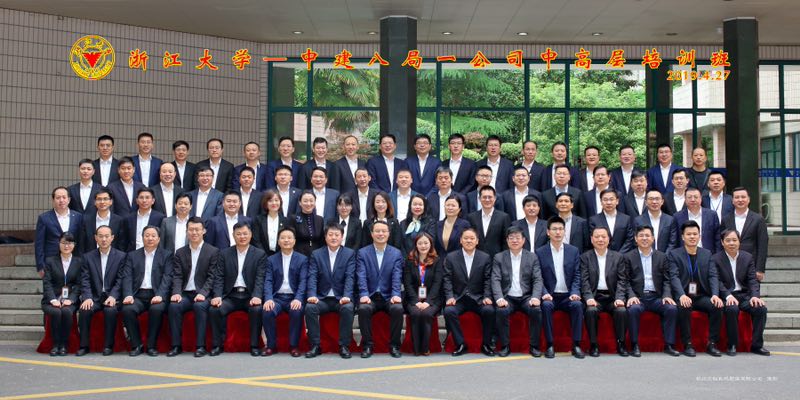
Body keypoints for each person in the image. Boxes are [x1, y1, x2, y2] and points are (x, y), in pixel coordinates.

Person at [209, 222, 266, 357]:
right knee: (214, 309)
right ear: (233, 236)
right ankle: (218, 345)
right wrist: (217, 295)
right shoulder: (224, 253)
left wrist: (257, 296)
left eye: (245, 234)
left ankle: (254, 345)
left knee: (256, 310)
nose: (242, 237)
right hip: (230, 295)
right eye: (238, 234)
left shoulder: (259, 254)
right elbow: (219, 277)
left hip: (249, 295)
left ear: (250, 235)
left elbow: (260, 278)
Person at [668, 220, 724, 357]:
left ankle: (712, 344)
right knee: (684, 306)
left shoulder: (707, 254)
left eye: (695, 234)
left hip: (701, 295)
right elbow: (674, 277)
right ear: (683, 237)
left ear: (699, 236)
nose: (692, 237)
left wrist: (715, 295)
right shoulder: (674, 254)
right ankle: (687, 344)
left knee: (716, 306)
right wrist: (681, 295)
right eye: (689, 234)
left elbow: (713, 275)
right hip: (684, 295)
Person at [624, 225, 680, 357]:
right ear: (635, 239)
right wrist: (631, 295)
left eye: (647, 235)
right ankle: (634, 344)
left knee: (671, 308)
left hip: (656, 297)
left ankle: (669, 345)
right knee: (633, 309)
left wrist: (667, 295)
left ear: (653, 238)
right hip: (638, 297)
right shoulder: (628, 257)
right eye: (641, 236)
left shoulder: (662, 257)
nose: (644, 238)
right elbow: (625, 280)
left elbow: (667, 280)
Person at [167, 217, 219, 357]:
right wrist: (176, 292)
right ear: (187, 232)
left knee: (199, 306)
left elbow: (212, 277)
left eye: (197, 229)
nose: (194, 232)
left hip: (203, 294)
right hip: (185, 294)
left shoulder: (213, 251)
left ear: (204, 231)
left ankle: (200, 346)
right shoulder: (180, 252)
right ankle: (176, 345)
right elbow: (177, 275)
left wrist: (203, 293)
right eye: (191, 230)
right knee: (174, 306)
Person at [304, 224, 356, 359]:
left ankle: (344, 346)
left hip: (341, 298)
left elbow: (350, 277)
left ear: (342, 237)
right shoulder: (316, 254)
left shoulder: (349, 254)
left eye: (337, 235)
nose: (333, 238)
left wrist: (347, 296)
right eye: (330, 235)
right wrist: (312, 295)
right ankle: (315, 345)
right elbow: (312, 277)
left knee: (348, 308)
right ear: (325, 237)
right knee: (310, 307)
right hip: (322, 298)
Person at [715, 229, 770, 356]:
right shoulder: (716, 259)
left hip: (744, 296)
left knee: (760, 309)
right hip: (727, 296)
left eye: (734, 240)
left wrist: (755, 296)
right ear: (722, 242)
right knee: (732, 309)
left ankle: (756, 345)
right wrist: (728, 296)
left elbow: (752, 280)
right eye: (728, 240)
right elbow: (717, 281)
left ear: (739, 241)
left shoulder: (747, 257)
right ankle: (732, 344)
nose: (731, 243)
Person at [492, 226, 544, 357]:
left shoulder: (532, 257)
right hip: (508, 297)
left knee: (536, 310)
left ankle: (534, 346)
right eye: (511, 238)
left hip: (526, 297)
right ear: (507, 240)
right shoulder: (499, 257)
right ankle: (505, 346)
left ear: (523, 240)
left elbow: (537, 279)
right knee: (501, 310)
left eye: (517, 238)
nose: (514, 240)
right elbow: (495, 279)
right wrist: (499, 298)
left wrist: (535, 297)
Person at [120, 226, 172, 356]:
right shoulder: (132, 255)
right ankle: (136, 345)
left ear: (159, 239)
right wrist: (128, 295)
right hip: (138, 295)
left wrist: (160, 295)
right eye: (147, 235)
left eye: (153, 236)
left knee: (156, 309)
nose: (150, 238)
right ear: (142, 238)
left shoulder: (166, 255)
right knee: (127, 309)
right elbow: (127, 277)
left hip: (156, 294)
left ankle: (151, 346)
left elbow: (167, 277)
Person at [443, 228, 496, 357]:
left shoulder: (485, 257)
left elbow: (488, 279)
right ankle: (461, 344)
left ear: (477, 241)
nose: (469, 241)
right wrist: (450, 296)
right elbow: (447, 279)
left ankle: (486, 344)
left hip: (478, 298)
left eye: (472, 238)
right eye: (466, 238)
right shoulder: (451, 257)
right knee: (449, 311)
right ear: (461, 240)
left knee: (489, 310)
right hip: (459, 298)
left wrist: (487, 296)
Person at [356, 221, 405, 358]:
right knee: (363, 309)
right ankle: (367, 345)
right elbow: (361, 275)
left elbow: (397, 276)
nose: (381, 234)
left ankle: (394, 345)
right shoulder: (363, 253)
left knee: (397, 308)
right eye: (377, 231)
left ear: (389, 234)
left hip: (388, 296)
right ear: (371, 234)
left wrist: (396, 294)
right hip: (370, 296)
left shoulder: (396, 253)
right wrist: (364, 294)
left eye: (384, 231)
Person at [537, 217, 584, 359]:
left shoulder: (573, 251)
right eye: (554, 229)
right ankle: (550, 345)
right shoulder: (540, 252)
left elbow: (577, 275)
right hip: (550, 295)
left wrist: (575, 292)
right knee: (546, 306)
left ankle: (576, 344)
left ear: (564, 231)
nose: (558, 232)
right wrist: (544, 293)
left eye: (560, 229)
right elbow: (538, 277)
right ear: (548, 232)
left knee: (577, 305)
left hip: (568, 295)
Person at [77, 225, 126, 356]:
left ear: (112, 238)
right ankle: (84, 345)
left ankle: (108, 346)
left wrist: (113, 296)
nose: (104, 239)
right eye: (100, 236)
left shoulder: (121, 256)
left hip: (112, 297)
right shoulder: (88, 257)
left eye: (106, 236)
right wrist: (87, 297)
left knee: (110, 311)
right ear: (95, 238)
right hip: (94, 296)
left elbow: (121, 279)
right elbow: (85, 280)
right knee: (85, 310)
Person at [580, 227, 628, 357]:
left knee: (621, 310)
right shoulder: (585, 257)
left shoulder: (618, 257)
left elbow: (622, 280)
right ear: (591, 239)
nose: (600, 239)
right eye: (597, 237)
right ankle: (593, 344)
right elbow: (584, 281)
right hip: (595, 296)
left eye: (603, 237)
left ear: (609, 239)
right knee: (591, 311)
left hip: (612, 296)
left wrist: (619, 298)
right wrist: (589, 298)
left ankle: (621, 343)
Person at [262, 227, 308, 357]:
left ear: (294, 241)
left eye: (289, 238)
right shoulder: (271, 260)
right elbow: (268, 281)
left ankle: (294, 346)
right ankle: (271, 346)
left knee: (296, 310)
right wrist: (268, 298)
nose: (286, 240)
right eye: (283, 238)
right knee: (267, 310)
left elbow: (303, 282)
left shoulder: (302, 259)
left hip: (293, 297)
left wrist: (298, 298)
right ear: (278, 241)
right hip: (277, 297)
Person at [41, 232, 82, 356]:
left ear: (74, 245)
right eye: (63, 243)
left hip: (70, 300)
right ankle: (55, 344)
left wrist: (71, 299)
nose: (66, 246)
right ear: (59, 244)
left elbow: (79, 284)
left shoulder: (79, 262)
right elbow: (47, 283)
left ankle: (64, 344)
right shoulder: (50, 261)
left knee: (66, 311)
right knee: (56, 312)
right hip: (51, 299)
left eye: (69, 243)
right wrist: (53, 300)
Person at [403, 232, 443, 356]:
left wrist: (428, 302)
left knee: (426, 313)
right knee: (415, 313)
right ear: (416, 245)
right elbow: (407, 283)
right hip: (413, 299)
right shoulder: (410, 261)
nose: (423, 246)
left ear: (431, 244)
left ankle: (425, 348)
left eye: (426, 243)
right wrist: (416, 301)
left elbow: (437, 283)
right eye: (420, 243)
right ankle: (416, 348)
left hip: (432, 299)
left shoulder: (437, 261)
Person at [723, 187, 768, 281]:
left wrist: (760, 269)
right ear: (732, 201)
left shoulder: (758, 219)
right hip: (729, 264)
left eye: (743, 197)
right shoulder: (726, 219)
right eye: (737, 197)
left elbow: (762, 245)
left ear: (748, 199)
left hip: (751, 265)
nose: (740, 200)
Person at [35, 187, 83, 277]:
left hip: (73, 262)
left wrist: (80, 261)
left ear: (69, 200)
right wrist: (40, 266)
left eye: (64, 197)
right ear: (53, 200)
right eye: (58, 198)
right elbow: (39, 244)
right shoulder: (44, 218)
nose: (61, 200)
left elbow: (81, 241)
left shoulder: (78, 217)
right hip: (51, 262)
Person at [466, 186, 512, 258]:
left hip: (497, 258)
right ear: (479, 199)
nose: (487, 200)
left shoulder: (504, 217)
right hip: (476, 258)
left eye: (490, 197)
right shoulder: (471, 217)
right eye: (484, 197)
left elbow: (506, 241)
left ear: (495, 198)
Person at [672, 187, 721, 253]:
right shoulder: (677, 217)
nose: (693, 200)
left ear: (701, 199)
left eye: (696, 197)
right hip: (684, 255)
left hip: (708, 254)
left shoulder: (712, 215)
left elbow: (717, 238)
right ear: (685, 199)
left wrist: (716, 255)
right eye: (689, 197)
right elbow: (675, 239)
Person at [588, 189, 635, 254]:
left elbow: (629, 239)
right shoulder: (594, 220)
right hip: (602, 255)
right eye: (605, 200)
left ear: (617, 201)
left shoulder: (626, 219)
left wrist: (619, 255)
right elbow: (593, 240)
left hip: (622, 256)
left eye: (611, 199)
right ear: (601, 202)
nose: (608, 202)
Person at [288, 191, 325, 257]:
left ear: (315, 202)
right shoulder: (293, 218)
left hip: (316, 254)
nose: (308, 204)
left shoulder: (320, 219)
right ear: (300, 203)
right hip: (298, 254)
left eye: (311, 201)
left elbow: (322, 240)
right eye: (305, 201)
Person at [251, 190, 287, 256]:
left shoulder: (285, 221)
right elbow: (256, 240)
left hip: (280, 256)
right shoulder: (258, 220)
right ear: (266, 203)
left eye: (276, 200)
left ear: (280, 202)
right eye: (270, 201)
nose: (274, 203)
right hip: (262, 256)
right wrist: (263, 255)